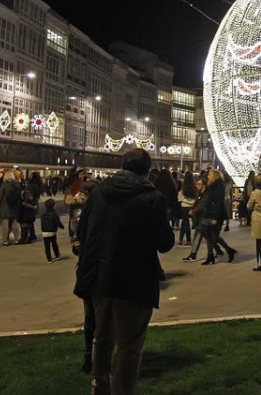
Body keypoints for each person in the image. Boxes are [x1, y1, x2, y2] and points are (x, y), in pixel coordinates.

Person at [73, 148, 174, 395]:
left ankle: (100, 387)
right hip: (134, 281)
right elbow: (165, 242)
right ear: (147, 170)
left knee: (102, 337)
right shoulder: (153, 198)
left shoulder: (97, 195)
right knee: (129, 346)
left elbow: (82, 233)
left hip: (99, 278)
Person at [198, 169, 237, 265]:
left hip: (216, 214)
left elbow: (219, 202)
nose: (208, 177)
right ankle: (210, 256)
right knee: (208, 235)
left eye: (210, 175)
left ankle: (229, 250)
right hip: (209, 213)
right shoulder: (211, 186)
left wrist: (216, 217)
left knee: (214, 237)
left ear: (215, 176)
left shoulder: (219, 186)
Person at [0, 171, 22, 246]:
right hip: (14, 206)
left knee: (5, 224)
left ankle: (5, 240)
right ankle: (16, 239)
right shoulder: (17, 185)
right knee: (14, 222)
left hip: (5, 206)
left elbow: (0, 197)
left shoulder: (4, 185)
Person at [40, 198, 64, 263]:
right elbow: (57, 222)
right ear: (54, 205)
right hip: (52, 231)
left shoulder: (43, 214)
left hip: (45, 232)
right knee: (54, 244)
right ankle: (57, 255)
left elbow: (42, 223)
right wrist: (62, 226)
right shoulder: (54, 214)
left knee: (47, 246)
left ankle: (49, 259)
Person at [177, 172, 197, 246]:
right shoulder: (195, 187)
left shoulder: (183, 187)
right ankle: (181, 239)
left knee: (185, 223)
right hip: (193, 206)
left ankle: (187, 240)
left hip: (184, 206)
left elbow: (179, 198)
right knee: (185, 223)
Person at [17, 178, 39, 244]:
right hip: (29, 212)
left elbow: (25, 202)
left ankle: (24, 238)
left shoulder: (26, 192)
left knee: (24, 225)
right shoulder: (30, 191)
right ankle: (30, 236)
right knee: (28, 225)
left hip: (25, 212)